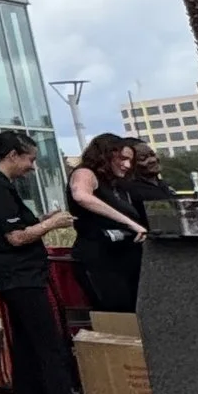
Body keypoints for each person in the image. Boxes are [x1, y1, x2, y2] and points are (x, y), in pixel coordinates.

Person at [0, 130, 128, 394]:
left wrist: (42, 221)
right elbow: (15, 237)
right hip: (22, 278)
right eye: (30, 159)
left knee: (28, 354)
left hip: (17, 277)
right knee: (51, 352)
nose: (32, 166)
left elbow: (10, 231)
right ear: (12, 155)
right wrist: (52, 225)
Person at [67, 133, 149, 313]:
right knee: (117, 312)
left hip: (125, 257)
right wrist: (129, 223)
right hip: (100, 258)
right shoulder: (85, 173)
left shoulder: (117, 184)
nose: (127, 165)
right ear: (106, 155)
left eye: (130, 161)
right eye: (122, 158)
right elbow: (81, 196)